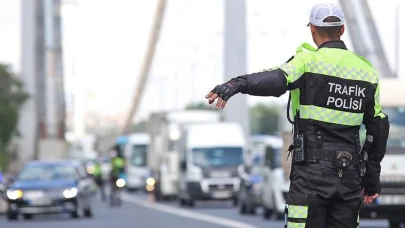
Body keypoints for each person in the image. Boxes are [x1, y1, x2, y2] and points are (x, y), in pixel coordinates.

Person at [205, 3, 389, 228]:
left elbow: (275, 80)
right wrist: (371, 180)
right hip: (348, 176)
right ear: (342, 30)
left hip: (311, 177)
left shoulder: (307, 62)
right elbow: (378, 128)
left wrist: (236, 84)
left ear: (312, 29)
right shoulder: (367, 72)